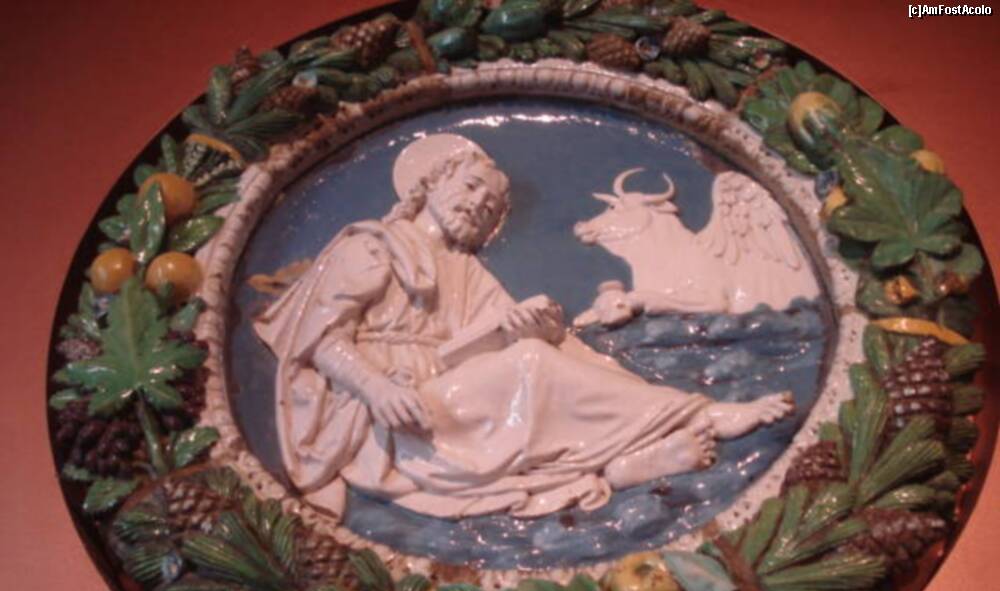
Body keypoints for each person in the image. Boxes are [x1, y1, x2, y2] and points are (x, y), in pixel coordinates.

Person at [255, 135, 793, 520]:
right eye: (470, 187)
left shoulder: (466, 271)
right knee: (532, 364)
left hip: (447, 395)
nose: (477, 206)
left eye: (489, 205)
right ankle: (689, 418)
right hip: (387, 412)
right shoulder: (373, 246)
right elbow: (320, 340)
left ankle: (639, 449)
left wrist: (526, 325)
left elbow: (477, 349)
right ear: (431, 182)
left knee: (552, 351)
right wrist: (377, 389)